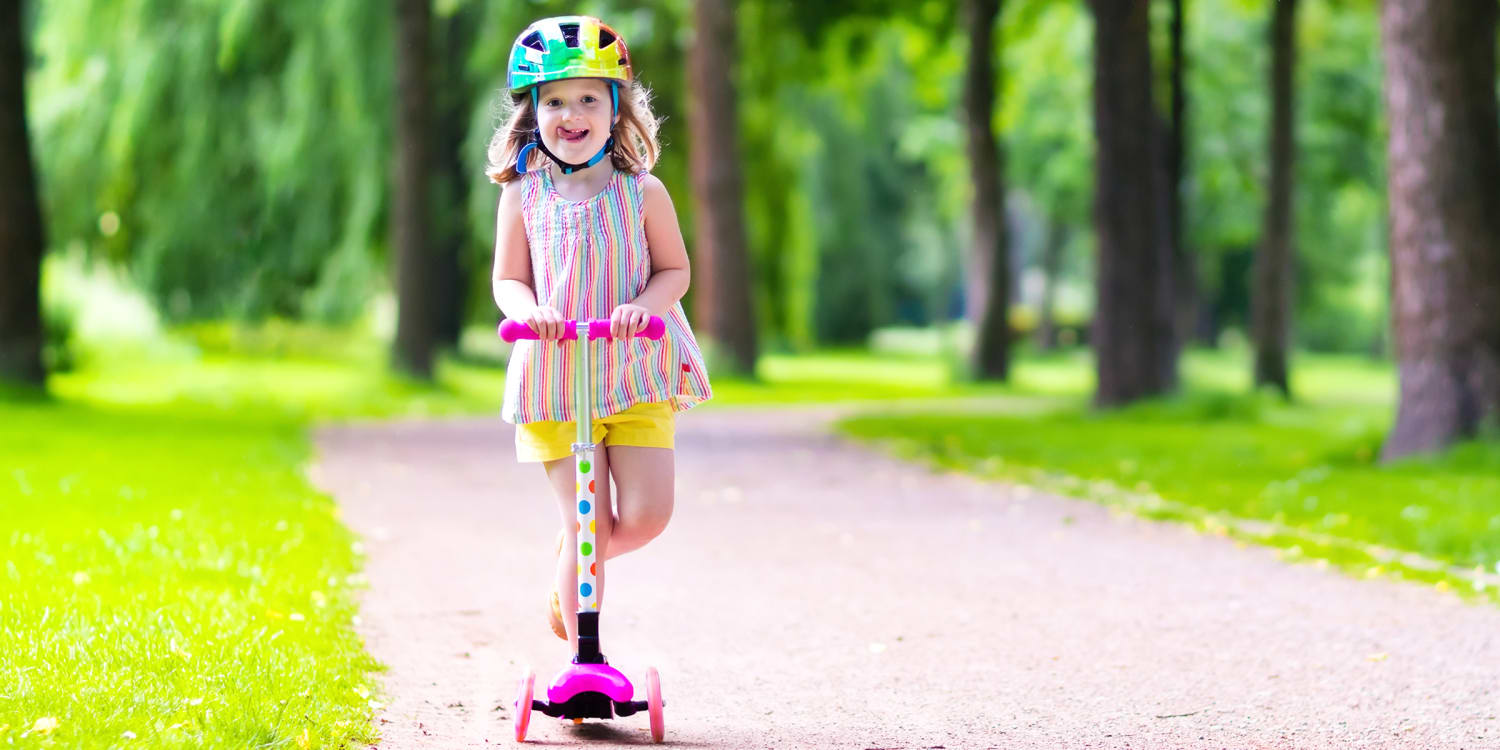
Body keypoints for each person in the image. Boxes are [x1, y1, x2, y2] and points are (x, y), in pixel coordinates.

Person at [487, 15, 712, 647]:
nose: (571, 113)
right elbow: (508, 280)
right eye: (554, 100)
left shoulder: (643, 193)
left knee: (642, 517)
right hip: (557, 378)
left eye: (589, 97)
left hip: (636, 370)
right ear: (534, 112)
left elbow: (676, 269)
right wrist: (525, 311)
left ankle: (572, 557)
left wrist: (647, 304)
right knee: (587, 522)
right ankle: (584, 663)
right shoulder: (521, 197)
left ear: (617, 110)